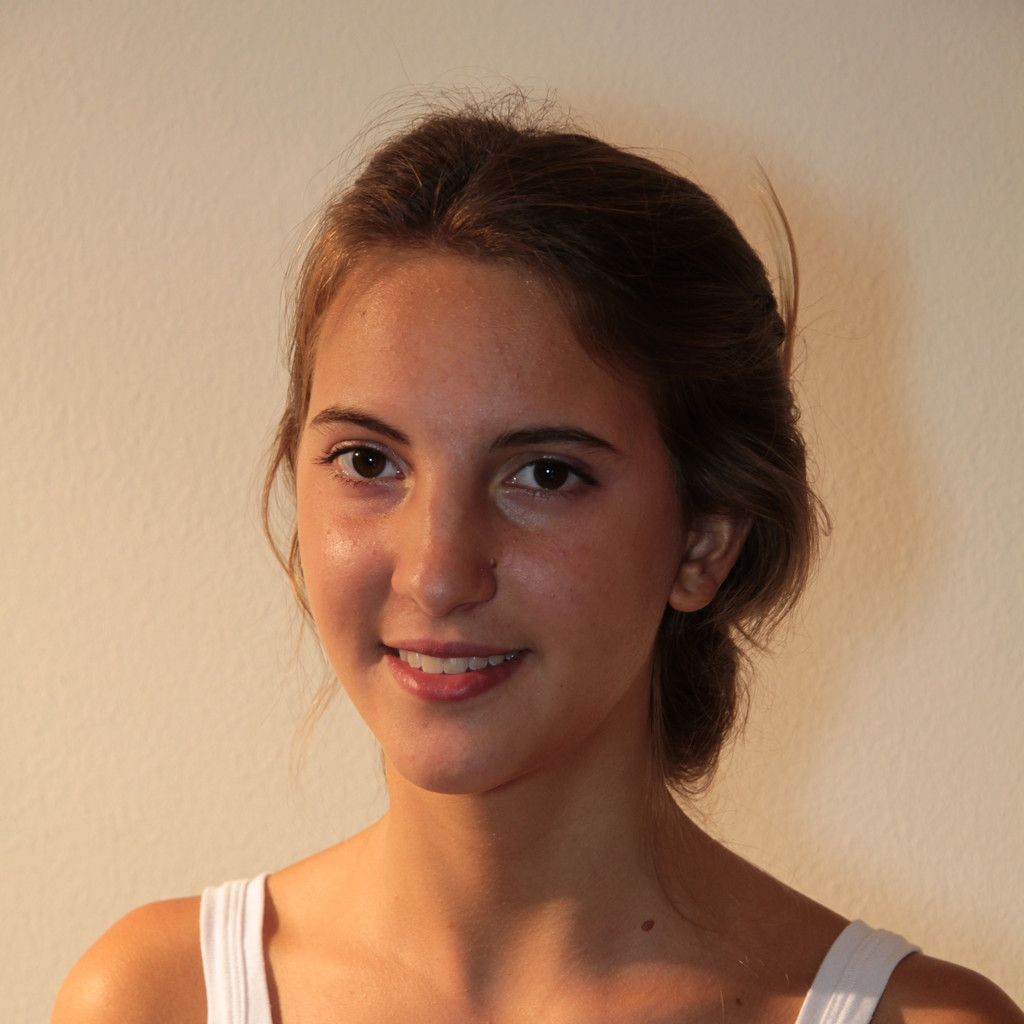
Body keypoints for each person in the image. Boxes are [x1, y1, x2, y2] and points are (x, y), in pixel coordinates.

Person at [52, 99, 1022, 1024]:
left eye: (544, 474)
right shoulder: (155, 999)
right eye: (369, 461)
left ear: (702, 541)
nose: (436, 573)